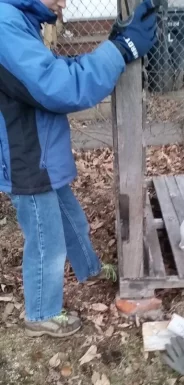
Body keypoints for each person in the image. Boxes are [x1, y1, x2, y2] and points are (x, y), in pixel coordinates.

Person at [0, 0, 158, 337]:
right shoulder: (3, 25)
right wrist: (120, 49)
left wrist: (112, 47)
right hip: (25, 156)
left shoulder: (17, 20)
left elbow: (52, 68)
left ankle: (90, 270)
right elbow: (59, 86)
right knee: (47, 242)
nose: (64, 2)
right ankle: (41, 313)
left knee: (71, 219)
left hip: (39, 149)